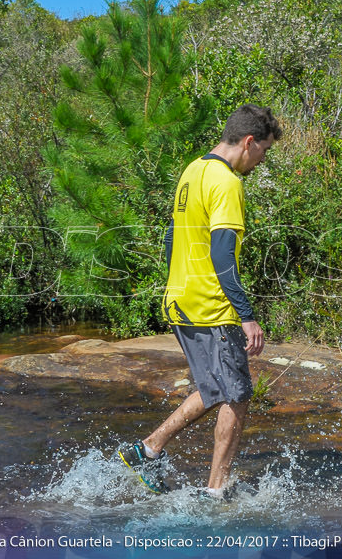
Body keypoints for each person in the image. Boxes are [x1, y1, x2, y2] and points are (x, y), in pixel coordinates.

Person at [117, 103, 282, 499]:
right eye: (264, 151)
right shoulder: (226, 182)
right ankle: (216, 490)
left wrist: (176, 286)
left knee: (214, 388)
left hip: (180, 301)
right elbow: (223, 255)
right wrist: (247, 316)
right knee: (238, 396)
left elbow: (173, 238)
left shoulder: (193, 170)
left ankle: (148, 450)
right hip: (212, 307)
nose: (262, 160)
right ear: (248, 142)